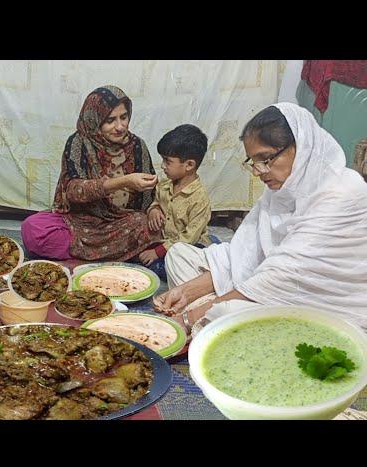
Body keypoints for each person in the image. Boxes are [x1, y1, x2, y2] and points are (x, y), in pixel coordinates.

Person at [153, 103, 367, 333]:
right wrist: (186, 292)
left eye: (265, 159)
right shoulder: (281, 190)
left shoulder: (344, 195)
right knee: (179, 255)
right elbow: (241, 254)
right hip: (266, 286)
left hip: (316, 307)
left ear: (301, 146)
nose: (257, 171)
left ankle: (209, 324)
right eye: (253, 161)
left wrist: (188, 319)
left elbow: (280, 278)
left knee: (223, 313)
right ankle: (213, 323)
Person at [21, 85, 160, 262]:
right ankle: (123, 254)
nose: (120, 126)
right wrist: (123, 181)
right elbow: (73, 191)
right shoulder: (79, 142)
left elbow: (152, 195)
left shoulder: (137, 146)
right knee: (32, 229)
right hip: (80, 220)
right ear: (95, 119)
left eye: (123, 117)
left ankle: (86, 255)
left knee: (151, 226)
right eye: (110, 120)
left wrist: (154, 208)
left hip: (122, 222)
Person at [139, 124, 215, 280]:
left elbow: (189, 238)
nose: (162, 166)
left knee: (161, 267)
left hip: (190, 246)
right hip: (165, 241)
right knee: (139, 254)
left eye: (168, 162)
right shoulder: (165, 185)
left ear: (189, 165)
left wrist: (157, 252)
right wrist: (153, 210)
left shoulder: (200, 199)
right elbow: (156, 202)